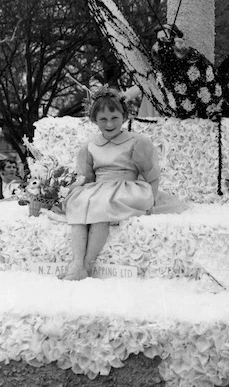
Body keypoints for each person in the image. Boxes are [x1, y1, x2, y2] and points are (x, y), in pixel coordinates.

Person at [60, 87, 186, 281]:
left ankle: (87, 264)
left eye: (114, 118)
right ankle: (77, 263)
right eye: (103, 119)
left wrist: (151, 200)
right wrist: (72, 190)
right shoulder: (90, 145)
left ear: (124, 116)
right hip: (99, 187)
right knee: (79, 204)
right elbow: (86, 177)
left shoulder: (137, 142)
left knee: (101, 208)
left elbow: (151, 175)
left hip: (125, 188)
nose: (109, 124)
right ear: (94, 120)